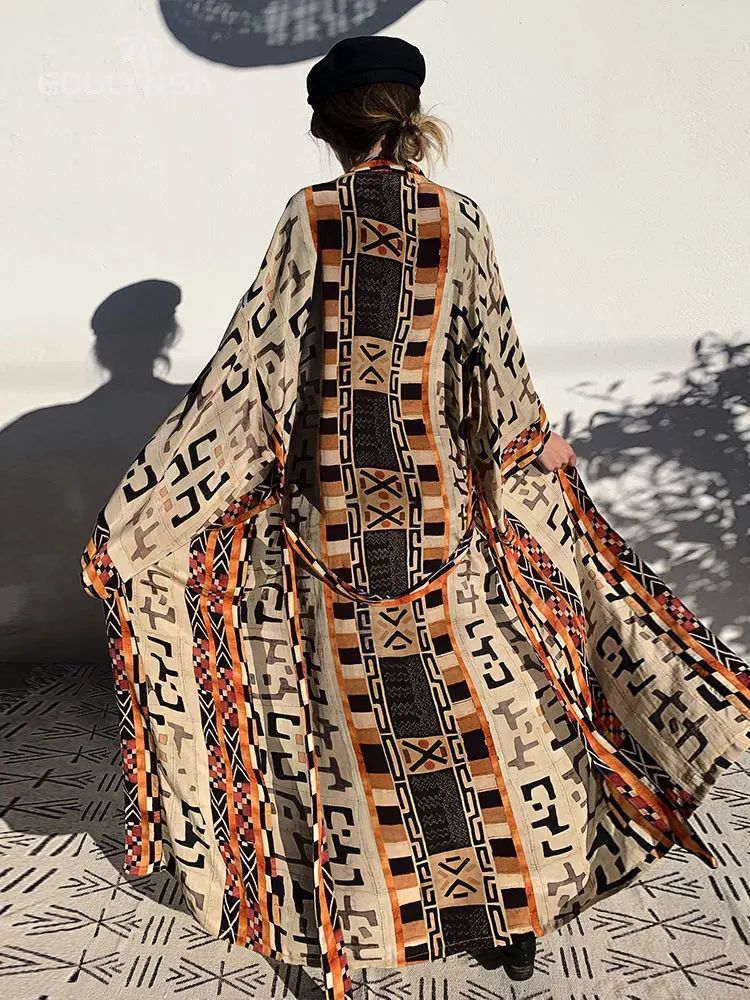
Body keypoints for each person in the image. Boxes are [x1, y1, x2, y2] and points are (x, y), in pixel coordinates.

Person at [80, 35, 750, 1000]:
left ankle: (360, 925)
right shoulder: (457, 218)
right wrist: (534, 446)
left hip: (334, 527)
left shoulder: (310, 218)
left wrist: (140, 515)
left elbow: (251, 378)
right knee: (478, 707)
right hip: (442, 523)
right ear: (409, 116)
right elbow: (491, 362)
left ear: (326, 124)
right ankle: (511, 919)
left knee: (352, 726)